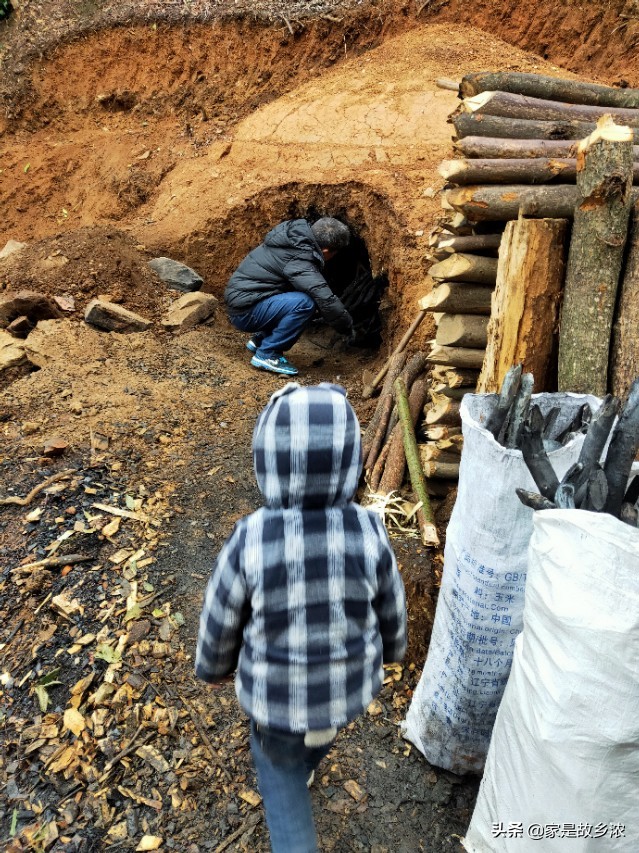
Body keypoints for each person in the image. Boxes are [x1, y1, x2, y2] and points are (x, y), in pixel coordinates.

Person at [195, 382, 407, 853]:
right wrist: (392, 650)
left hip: (277, 698)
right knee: (315, 737)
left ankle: (294, 794)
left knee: (279, 776)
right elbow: (391, 602)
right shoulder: (369, 529)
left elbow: (221, 610)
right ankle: (310, 750)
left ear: (266, 460)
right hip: (346, 691)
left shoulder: (251, 537)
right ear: (349, 459)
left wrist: (212, 667)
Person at [224, 217, 354, 376]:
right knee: (305, 303)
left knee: (298, 295)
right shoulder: (299, 260)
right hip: (245, 313)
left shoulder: (293, 239)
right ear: (326, 251)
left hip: (244, 301)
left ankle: (260, 340)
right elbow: (324, 297)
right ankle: (268, 354)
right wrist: (347, 328)